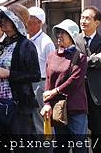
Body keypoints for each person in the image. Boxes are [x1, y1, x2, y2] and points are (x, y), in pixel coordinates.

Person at [0, 4, 40, 152]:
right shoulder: (1, 46)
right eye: (2, 18)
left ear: (16, 23)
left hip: (18, 106)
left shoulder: (26, 45)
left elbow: (35, 75)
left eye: (7, 18)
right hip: (0, 105)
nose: (2, 21)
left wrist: (8, 74)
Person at [41, 19, 88, 153]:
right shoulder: (51, 56)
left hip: (76, 108)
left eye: (63, 33)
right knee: (60, 147)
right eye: (58, 32)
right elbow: (48, 80)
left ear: (72, 36)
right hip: (58, 109)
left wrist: (55, 91)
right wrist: (47, 103)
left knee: (79, 147)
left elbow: (75, 81)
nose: (59, 36)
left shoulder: (80, 57)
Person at [74, 7, 101, 153]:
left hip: (96, 93)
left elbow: (100, 61)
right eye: (82, 17)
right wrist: (88, 59)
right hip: (77, 92)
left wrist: (82, 60)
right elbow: (72, 61)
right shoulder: (75, 39)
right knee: (78, 130)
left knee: (100, 132)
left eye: (87, 18)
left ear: (97, 23)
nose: (83, 21)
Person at [27, 7, 57, 134]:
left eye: (30, 19)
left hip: (41, 84)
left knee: (41, 119)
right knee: (31, 119)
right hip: (28, 83)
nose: (26, 22)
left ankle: (46, 147)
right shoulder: (26, 39)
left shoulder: (46, 42)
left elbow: (52, 68)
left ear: (39, 22)